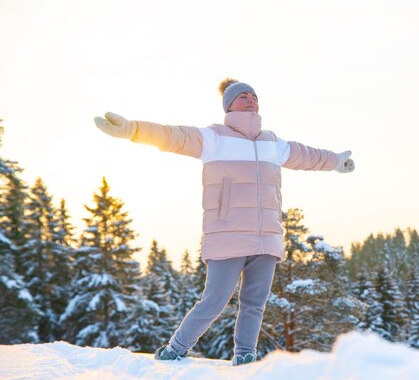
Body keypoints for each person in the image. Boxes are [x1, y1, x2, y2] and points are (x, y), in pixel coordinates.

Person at [94, 78, 355, 365]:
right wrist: (132, 129)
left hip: (266, 236)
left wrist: (336, 161)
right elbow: (171, 136)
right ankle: (177, 348)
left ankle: (245, 354)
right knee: (214, 300)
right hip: (227, 234)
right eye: (243, 95)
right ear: (229, 105)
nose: (251, 99)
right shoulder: (214, 138)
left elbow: (309, 156)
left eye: (254, 95)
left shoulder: (273, 143)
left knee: (254, 304)